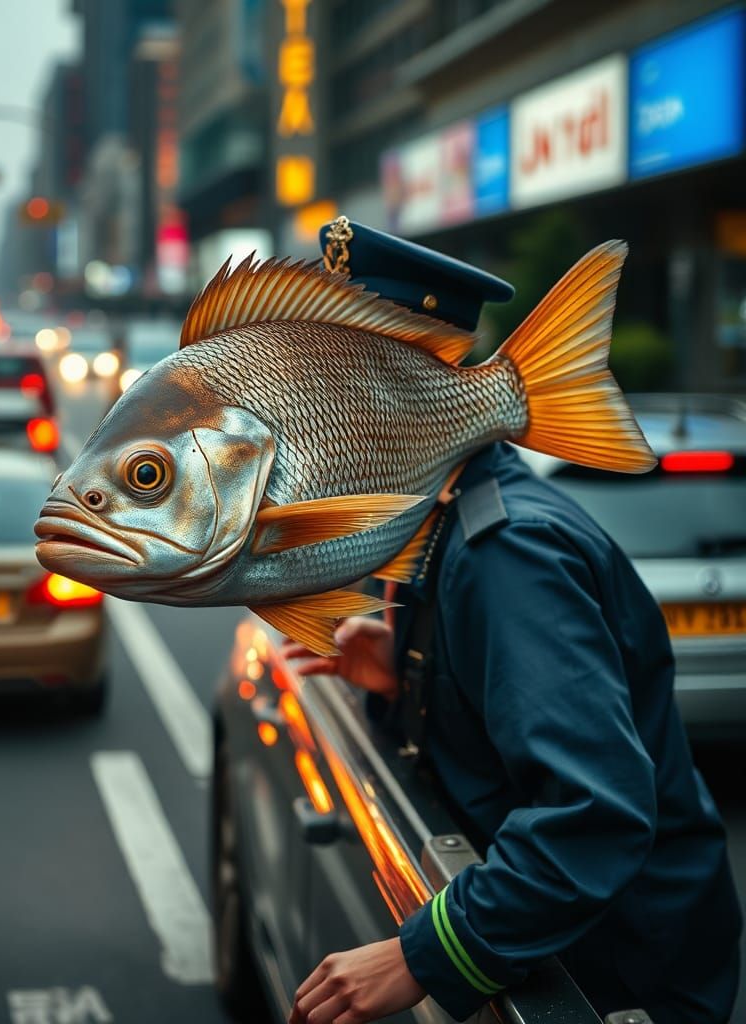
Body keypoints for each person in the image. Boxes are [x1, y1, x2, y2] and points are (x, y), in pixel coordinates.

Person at [284, 219, 742, 1024]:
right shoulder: (443, 508)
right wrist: (409, 669)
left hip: (608, 990)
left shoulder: (510, 552)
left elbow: (593, 814)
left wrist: (422, 954)